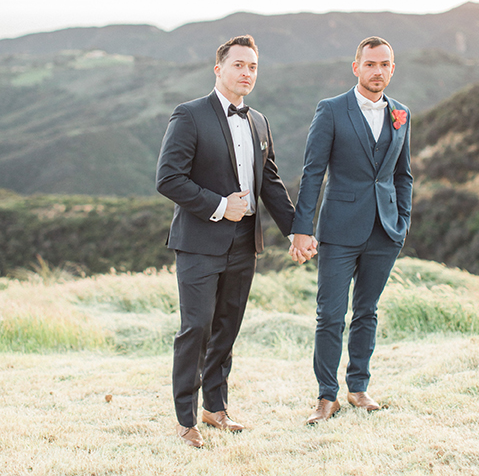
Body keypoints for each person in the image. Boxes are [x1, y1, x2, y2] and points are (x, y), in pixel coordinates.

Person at [156, 34, 295, 447]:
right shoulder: (189, 115)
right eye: (239, 65)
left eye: (253, 66)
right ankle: (186, 420)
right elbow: (168, 179)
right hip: (199, 240)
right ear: (219, 69)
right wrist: (219, 205)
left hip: (244, 243)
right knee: (195, 328)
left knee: (226, 328)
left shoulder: (259, 121)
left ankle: (215, 409)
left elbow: (269, 182)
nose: (246, 72)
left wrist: (298, 231)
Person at [290, 36, 413, 423]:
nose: (378, 71)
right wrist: (301, 229)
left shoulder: (402, 113)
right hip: (340, 229)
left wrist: (402, 221)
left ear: (392, 69)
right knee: (330, 314)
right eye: (371, 64)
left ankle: (358, 387)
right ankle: (327, 397)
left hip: (385, 231)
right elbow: (313, 173)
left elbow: (402, 174)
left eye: (385, 64)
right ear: (356, 67)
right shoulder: (331, 110)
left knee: (367, 311)